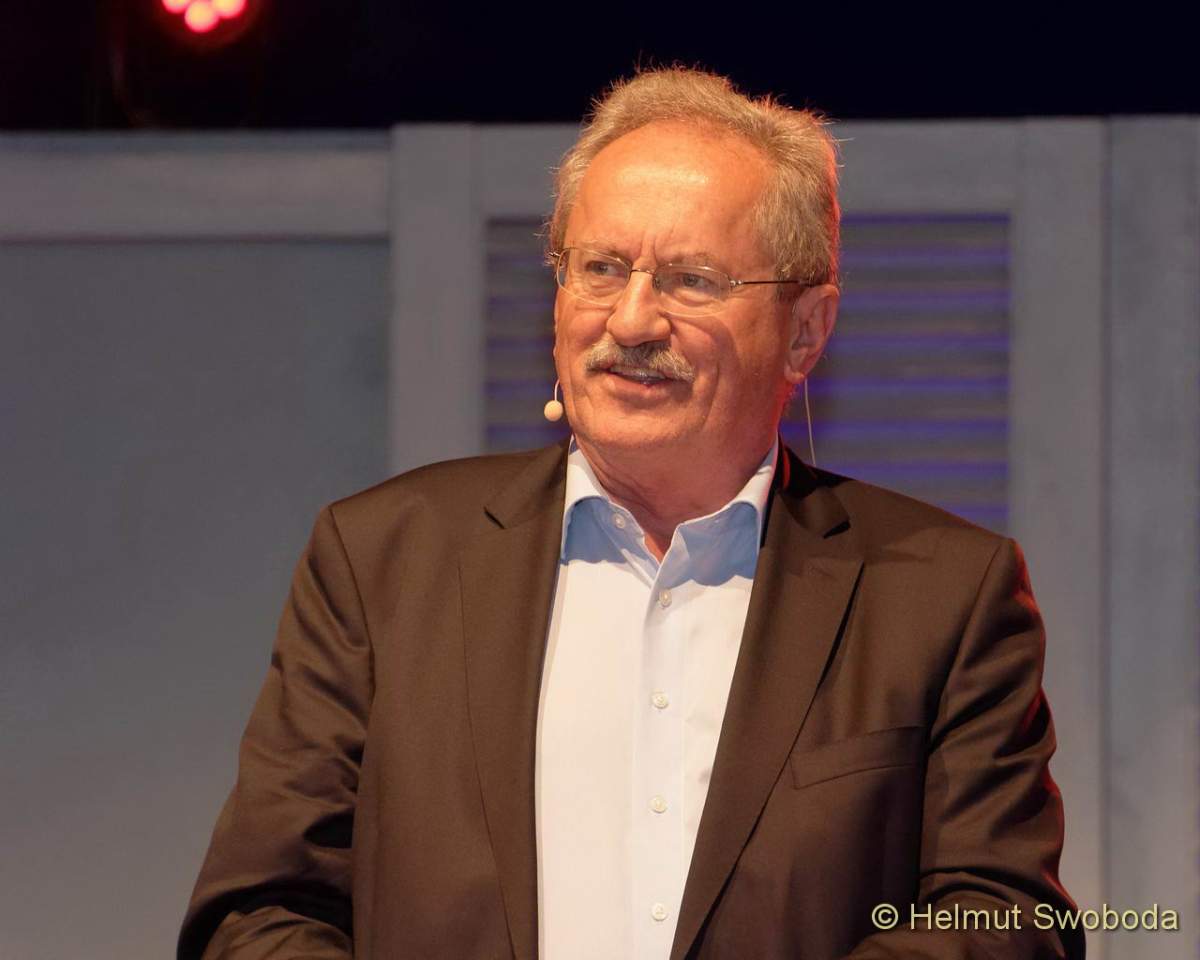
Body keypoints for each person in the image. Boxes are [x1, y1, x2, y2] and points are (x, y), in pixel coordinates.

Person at [178, 67, 1084, 960]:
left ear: (805, 331)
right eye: (601, 269)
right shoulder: (383, 561)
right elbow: (256, 915)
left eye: (691, 280)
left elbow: (1008, 920)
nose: (632, 320)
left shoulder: (941, 595)